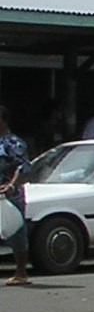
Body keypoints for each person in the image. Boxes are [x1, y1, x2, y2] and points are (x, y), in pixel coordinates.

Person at [1, 105, 31, 286]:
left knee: (16, 232)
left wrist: (12, 185)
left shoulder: (13, 143)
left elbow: (23, 167)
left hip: (10, 194)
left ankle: (21, 272)